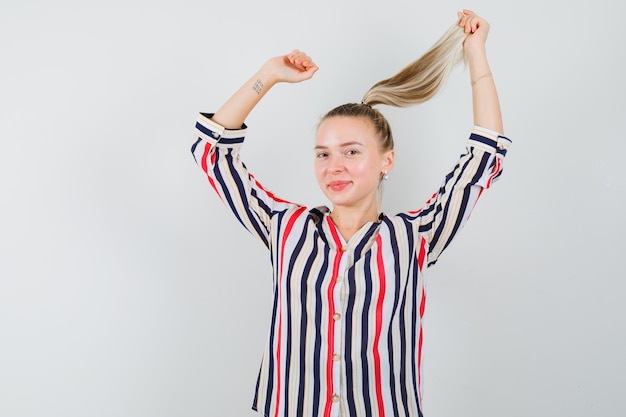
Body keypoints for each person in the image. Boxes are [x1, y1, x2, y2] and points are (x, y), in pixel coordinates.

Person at [191, 9, 511, 417]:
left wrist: (476, 52)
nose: (333, 166)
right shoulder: (284, 227)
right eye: (323, 154)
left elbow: (484, 159)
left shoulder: (416, 236)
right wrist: (268, 74)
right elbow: (212, 152)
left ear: (387, 161)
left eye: (352, 152)